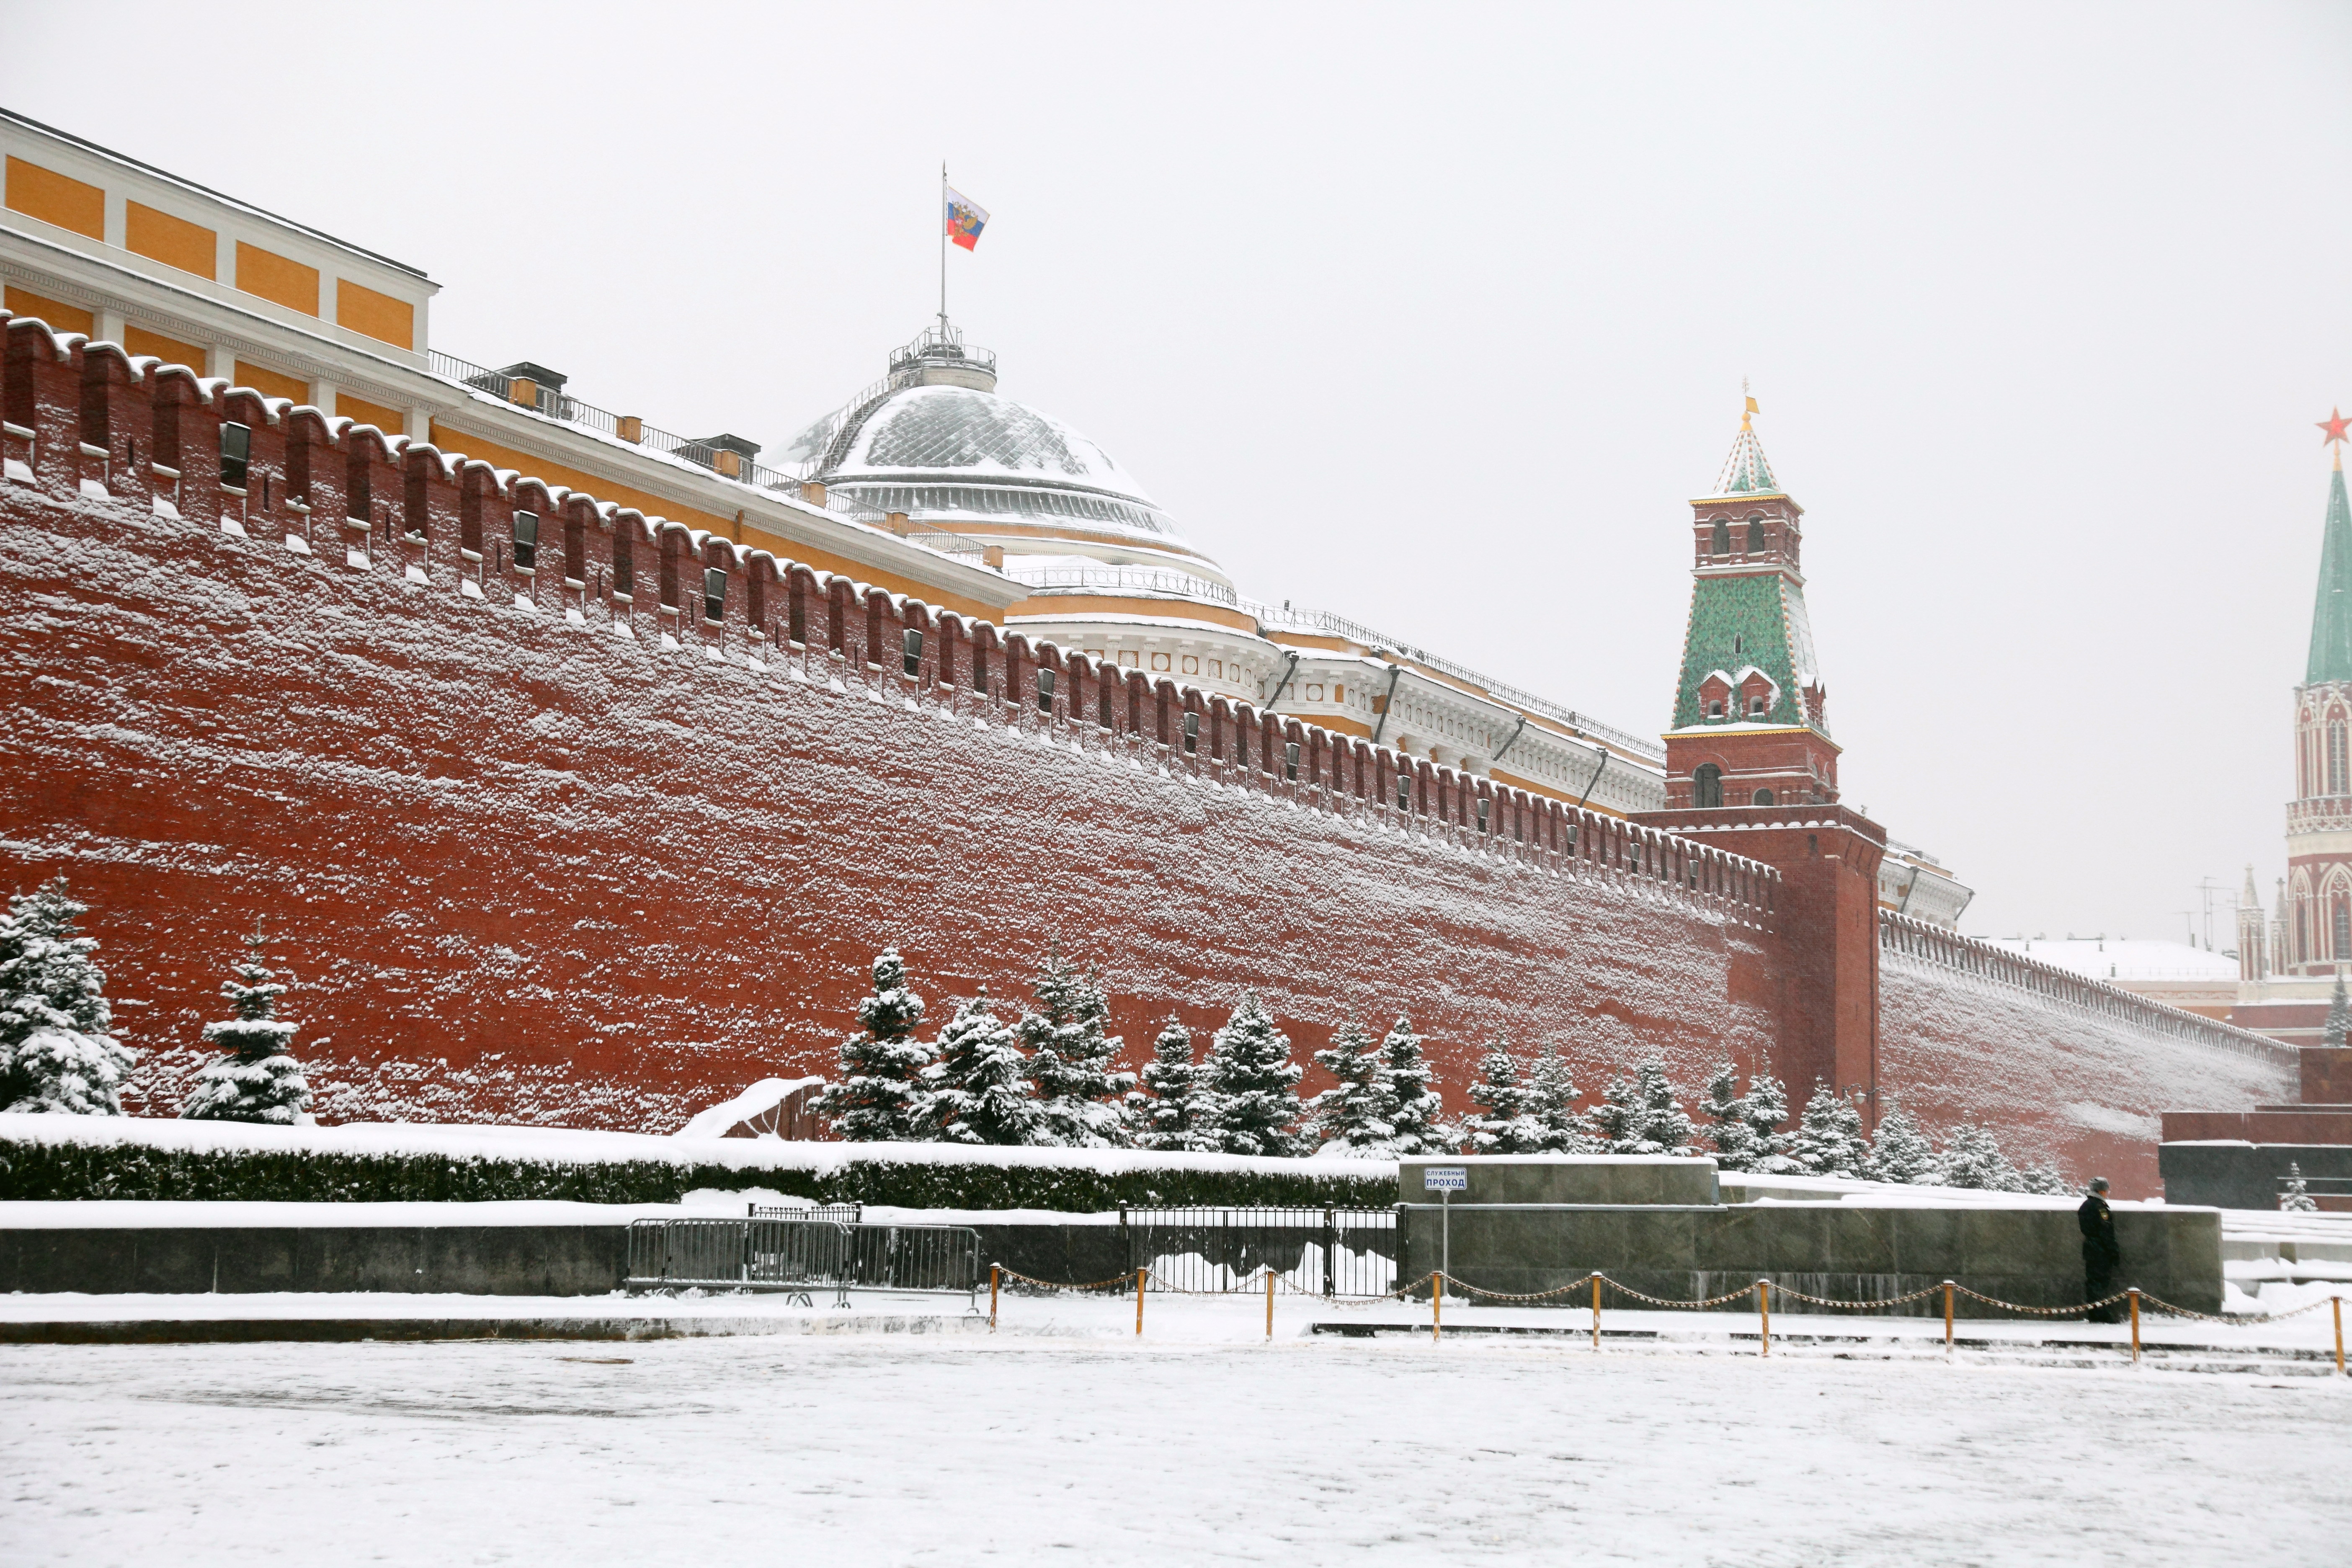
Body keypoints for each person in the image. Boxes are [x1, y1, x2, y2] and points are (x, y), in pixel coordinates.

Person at [2078, 1177, 2122, 1323]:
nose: (2108, 1193)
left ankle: (2094, 1313)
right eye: (2106, 1190)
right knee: (2101, 1284)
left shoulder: (2085, 1206)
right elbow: (2106, 1232)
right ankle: (2102, 1314)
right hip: (2101, 1251)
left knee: (2093, 1283)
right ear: (2101, 1191)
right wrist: (2114, 1252)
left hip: (2090, 1249)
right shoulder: (2100, 1207)